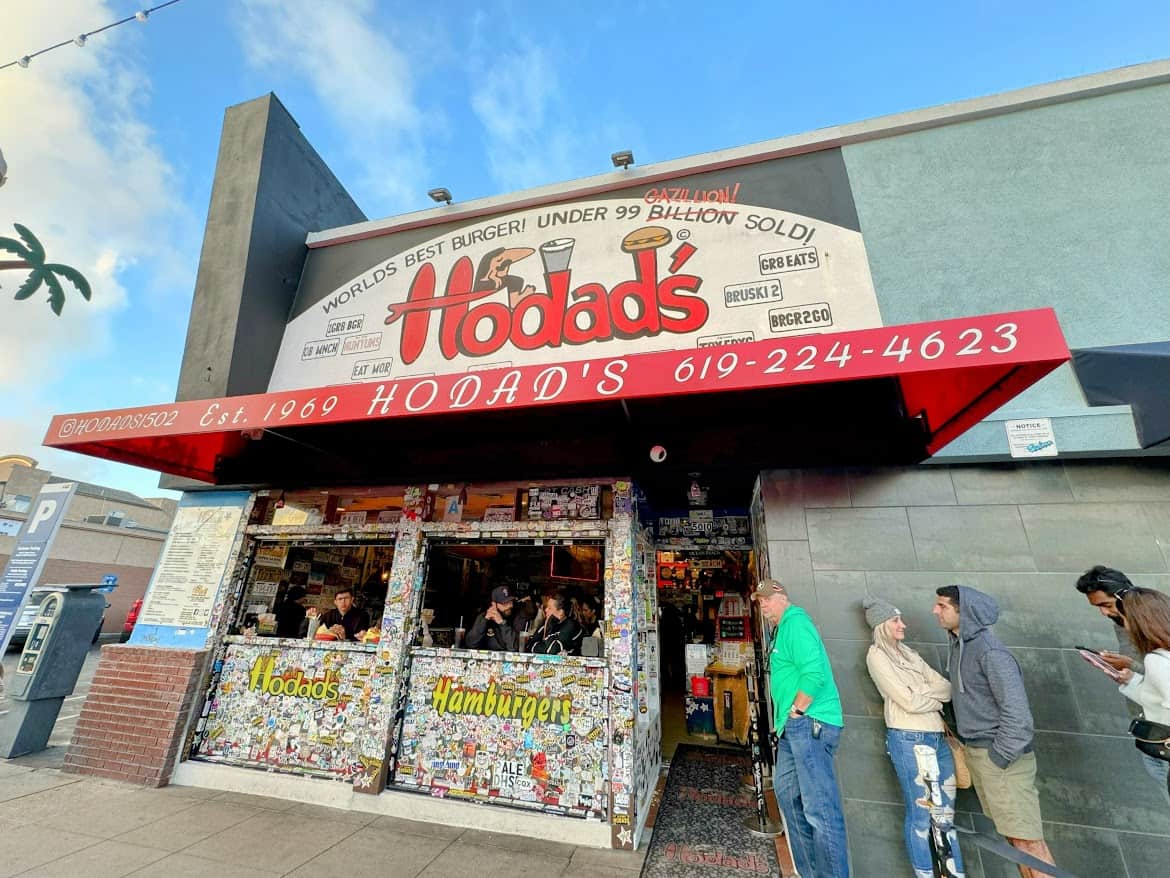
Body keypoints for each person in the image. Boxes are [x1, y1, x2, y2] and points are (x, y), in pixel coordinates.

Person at [932, 586, 1055, 878]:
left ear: (965, 612)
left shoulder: (990, 652)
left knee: (1028, 842)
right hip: (982, 755)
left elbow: (1018, 714)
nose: (935, 611)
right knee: (1015, 841)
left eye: (942, 606)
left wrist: (998, 758)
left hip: (1001, 759)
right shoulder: (960, 647)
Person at [863, 596, 966, 878]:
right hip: (908, 738)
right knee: (920, 815)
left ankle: (954, 873)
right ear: (882, 624)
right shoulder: (877, 656)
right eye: (896, 620)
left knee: (945, 816)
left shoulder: (910, 654)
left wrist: (923, 695)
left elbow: (946, 688)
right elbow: (907, 701)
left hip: (937, 738)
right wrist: (927, 695)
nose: (902, 625)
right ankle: (924, 874)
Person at [754, 578, 849, 878]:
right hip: (793, 728)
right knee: (786, 794)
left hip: (810, 724)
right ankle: (810, 871)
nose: (764, 605)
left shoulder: (795, 622)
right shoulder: (781, 629)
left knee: (819, 809)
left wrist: (798, 709)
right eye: (760, 601)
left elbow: (814, 673)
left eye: (768, 598)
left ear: (782, 596)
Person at [1075, 565, 1170, 786]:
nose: (1105, 613)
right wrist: (1129, 679)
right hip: (1150, 731)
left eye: (1106, 605)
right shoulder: (1127, 625)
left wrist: (1132, 665)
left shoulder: (1156, 654)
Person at [466, 585, 519, 651]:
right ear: (494, 604)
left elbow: (514, 648)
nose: (509, 606)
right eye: (505, 603)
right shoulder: (482, 617)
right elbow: (470, 644)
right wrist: (485, 621)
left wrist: (502, 623)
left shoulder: (515, 617)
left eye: (510, 602)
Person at [531, 591, 581, 655]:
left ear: (560, 612)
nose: (546, 610)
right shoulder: (547, 623)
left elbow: (551, 651)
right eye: (546, 607)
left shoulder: (570, 625)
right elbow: (529, 646)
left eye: (549, 608)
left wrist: (548, 626)